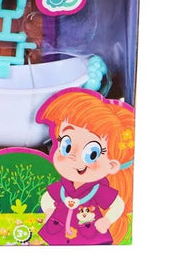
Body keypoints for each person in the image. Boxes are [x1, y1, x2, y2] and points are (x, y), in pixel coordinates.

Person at [37, 89, 134, 245]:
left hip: (88, 236)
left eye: (91, 153)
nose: (72, 156)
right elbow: (48, 198)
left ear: (111, 166)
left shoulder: (98, 189)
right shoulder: (64, 186)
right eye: (66, 145)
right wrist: (49, 210)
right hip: (57, 232)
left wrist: (107, 221)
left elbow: (117, 205)